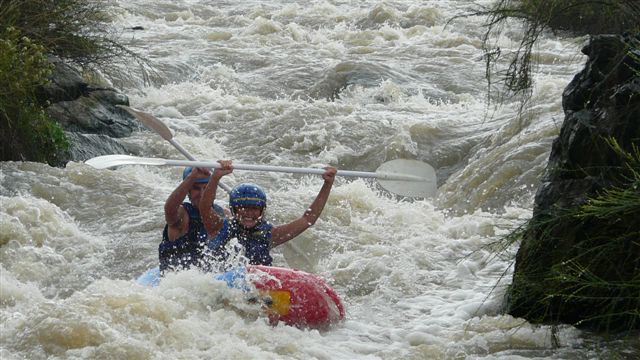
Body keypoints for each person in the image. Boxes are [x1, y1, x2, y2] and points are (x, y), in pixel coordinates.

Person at [199, 160, 337, 268]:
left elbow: (308, 219)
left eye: (254, 208)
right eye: (243, 208)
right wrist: (216, 177)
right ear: (234, 209)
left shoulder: (270, 234)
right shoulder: (217, 227)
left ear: (262, 211)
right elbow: (205, 207)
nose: (249, 213)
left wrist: (327, 184)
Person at [159, 166, 225, 272]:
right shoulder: (181, 215)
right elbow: (169, 209)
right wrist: (191, 177)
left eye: (206, 188)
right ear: (188, 192)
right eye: (196, 188)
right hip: (179, 279)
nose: (202, 194)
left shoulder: (223, 214)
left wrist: (216, 177)